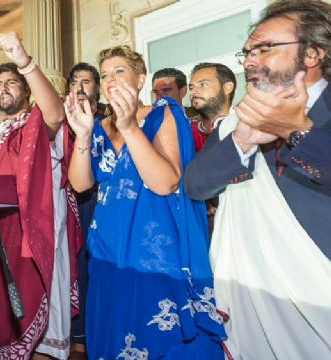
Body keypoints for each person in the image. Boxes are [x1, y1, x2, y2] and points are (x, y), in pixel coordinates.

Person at [184, 1, 331, 357]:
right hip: (257, 306)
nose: (249, 60)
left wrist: (296, 130)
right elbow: (194, 185)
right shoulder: (239, 121)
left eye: (264, 48)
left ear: (313, 54)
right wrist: (242, 141)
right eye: (247, 51)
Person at [66, 46, 225, 359]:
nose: (111, 79)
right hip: (107, 248)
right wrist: (82, 137)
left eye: (120, 71)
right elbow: (81, 184)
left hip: (152, 251)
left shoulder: (163, 112)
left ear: (140, 80)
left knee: (152, 334)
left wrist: (129, 127)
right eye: (106, 74)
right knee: (112, 331)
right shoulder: (98, 126)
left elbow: (167, 182)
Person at [0, 32, 81, 360]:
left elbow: (54, 115)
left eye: (12, 82)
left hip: (36, 236)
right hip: (1, 234)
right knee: (6, 315)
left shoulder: (36, 122)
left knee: (40, 327)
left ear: (26, 90)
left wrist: (24, 62)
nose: (4, 88)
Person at [65, 62, 103, 360]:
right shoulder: (60, 123)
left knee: (93, 269)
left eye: (86, 81)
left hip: (97, 205)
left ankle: (93, 336)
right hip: (66, 205)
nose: (79, 86)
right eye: (75, 80)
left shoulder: (109, 124)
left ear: (97, 89)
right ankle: (73, 338)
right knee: (71, 270)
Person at [189, 63, 237, 152]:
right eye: (191, 88)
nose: (193, 92)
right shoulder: (185, 132)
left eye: (203, 84)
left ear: (227, 88)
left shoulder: (248, 127)